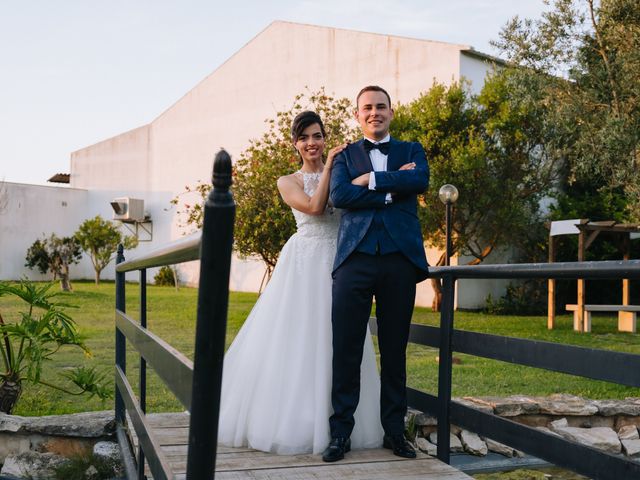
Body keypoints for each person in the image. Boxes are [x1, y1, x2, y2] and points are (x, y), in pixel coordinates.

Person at [217, 111, 384, 455]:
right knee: (302, 337)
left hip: (341, 260)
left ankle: (342, 422)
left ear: (325, 138)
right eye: (305, 137)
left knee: (343, 337)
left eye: (318, 136)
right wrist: (334, 170)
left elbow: (362, 195)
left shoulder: (341, 171)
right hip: (305, 262)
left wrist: (354, 175)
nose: (312, 143)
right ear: (295, 143)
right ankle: (298, 422)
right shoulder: (286, 180)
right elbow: (314, 206)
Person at [323, 86, 430, 462]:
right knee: (346, 349)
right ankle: (340, 435)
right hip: (355, 258)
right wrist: (390, 189)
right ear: (357, 115)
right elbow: (339, 196)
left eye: (380, 106)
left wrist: (370, 181)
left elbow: (420, 180)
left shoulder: (411, 150)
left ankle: (396, 433)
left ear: (391, 112)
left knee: (395, 349)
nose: (374, 113)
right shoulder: (344, 155)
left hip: (399, 259)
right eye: (367, 108)